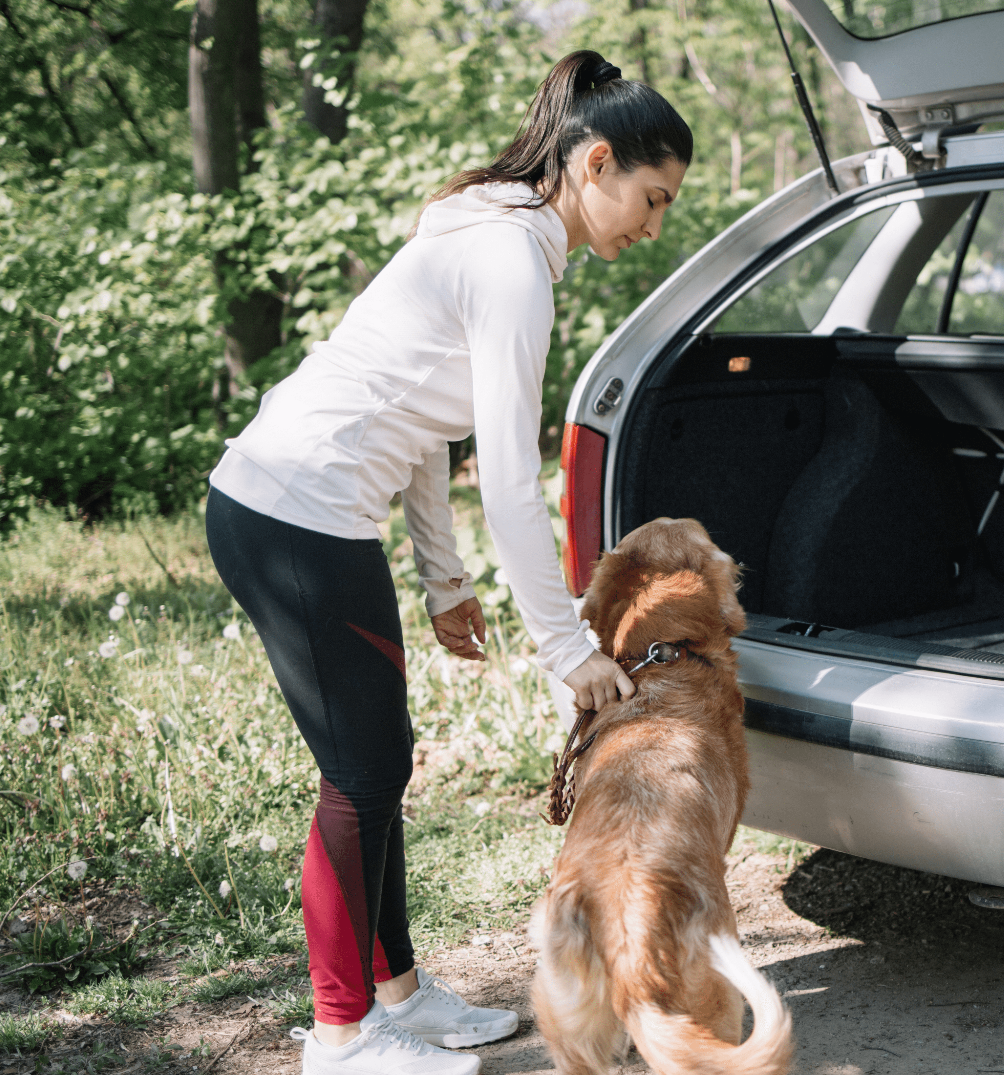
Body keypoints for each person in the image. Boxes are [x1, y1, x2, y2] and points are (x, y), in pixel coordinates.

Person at [204, 49, 691, 1075]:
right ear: (594, 162)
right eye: (650, 200)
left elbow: (433, 425)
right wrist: (565, 648)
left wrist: (446, 580)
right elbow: (510, 476)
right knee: (361, 772)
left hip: (305, 507)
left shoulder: (491, 230)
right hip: (297, 511)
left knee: (376, 761)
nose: (652, 229)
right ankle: (341, 1037)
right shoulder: (513, 261)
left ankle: (397, 997)